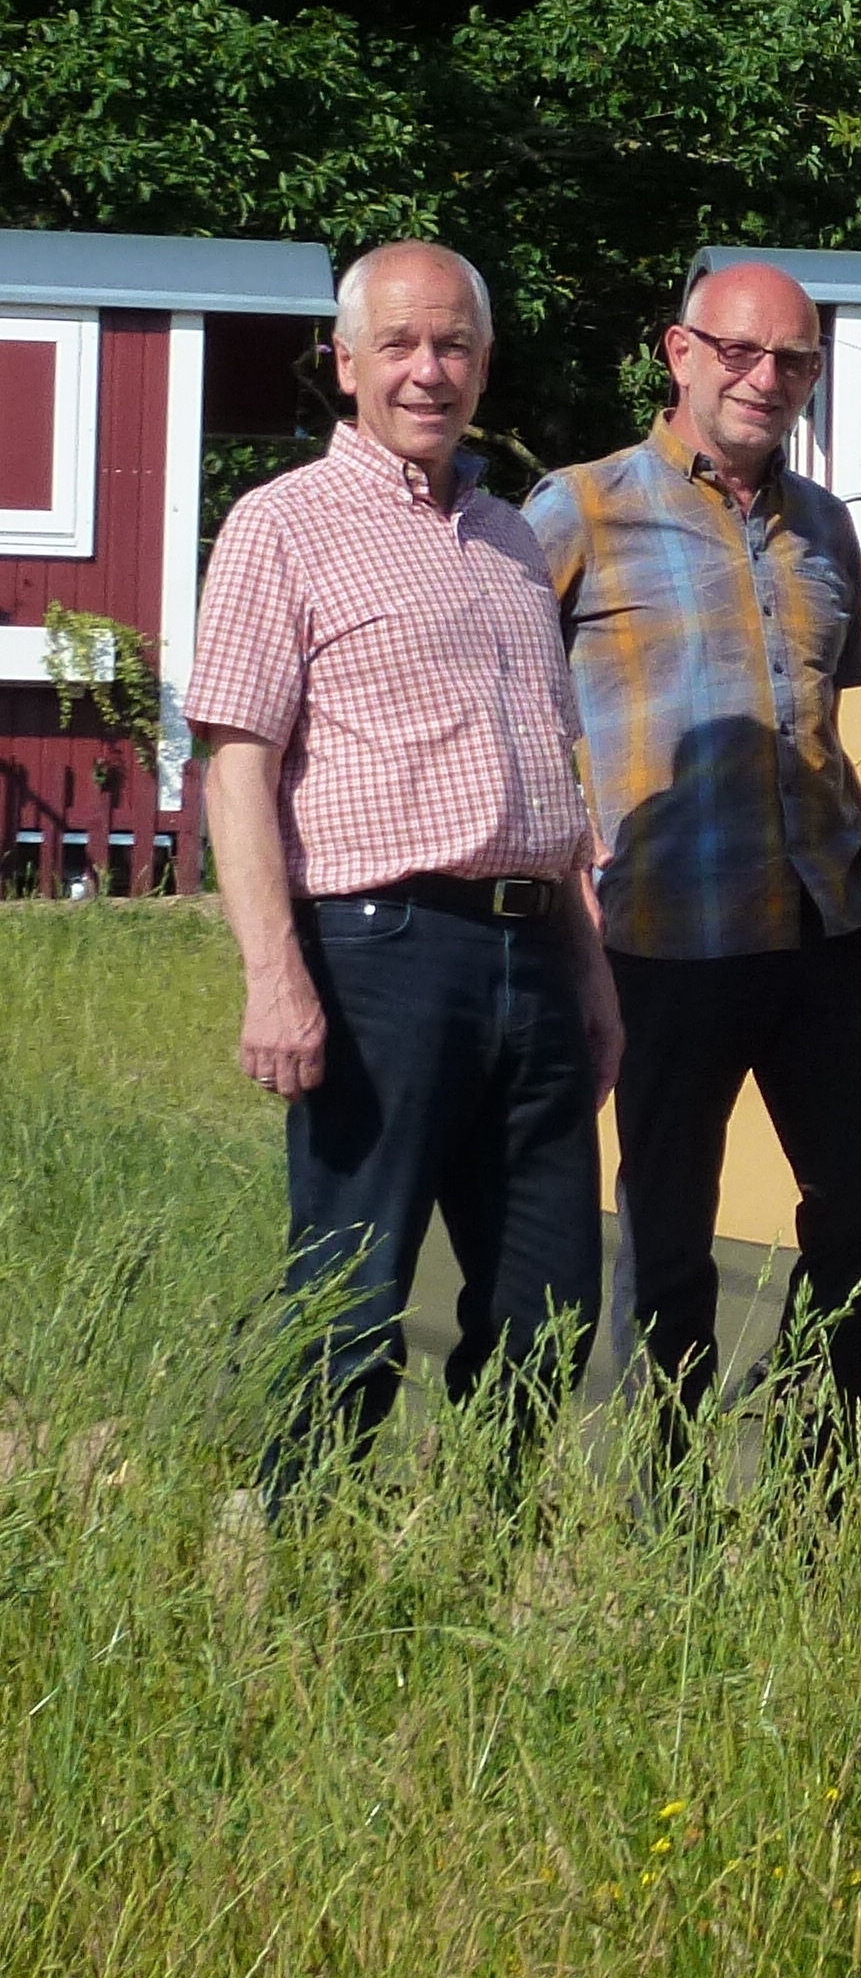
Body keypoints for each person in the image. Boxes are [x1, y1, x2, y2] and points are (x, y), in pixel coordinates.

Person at [188, 241, 613, 1494]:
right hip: (380, 951)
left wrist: (588, 974)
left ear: (484, 363)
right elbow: (235, 767)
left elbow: (555, 783)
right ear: (347, 363)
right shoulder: (284, 526)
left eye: (455, 346)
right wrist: (276, 977)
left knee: (550, 1305)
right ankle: (302, 1567)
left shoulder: (511, 543)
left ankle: (481, 1557)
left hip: (533, 950)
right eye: (402, 345)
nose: (429, 371)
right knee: (354, 1298)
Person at [529, 260, 861, 1448]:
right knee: (668, 1227)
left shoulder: (827, 528)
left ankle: (810, 1462)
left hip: (831, 927)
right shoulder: (579, 508)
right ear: (678, 351)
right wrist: (567, 865)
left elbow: (821, 716)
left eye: (794, 359)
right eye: (740, 352)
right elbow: (516, 696)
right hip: (662, 932)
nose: (766, 379)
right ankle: (673, 1482)